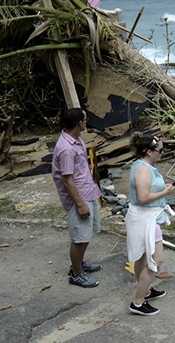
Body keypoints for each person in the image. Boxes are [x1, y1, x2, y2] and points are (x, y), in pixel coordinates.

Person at [51, 108, 103, 288]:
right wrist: (80, 204)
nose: (86, 122)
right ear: (79, 123)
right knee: (79, 236)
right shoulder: (66, 148)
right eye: (85, 119)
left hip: (87, 191)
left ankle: (79, 264)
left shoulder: (76, 139)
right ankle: (76, 273)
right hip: (78, 197)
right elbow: (67, 180)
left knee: (86, 233)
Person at [125, 133, 175, 316]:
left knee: (143, 257)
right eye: (160, 150)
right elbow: (143, 197)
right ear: (148, 151)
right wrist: (165, 192)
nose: (162, 153)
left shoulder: (145, 166)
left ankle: (145, 291)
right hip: (146, 219)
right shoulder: (143, 170)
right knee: (157, 258)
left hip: (147, 217)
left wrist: (163, 188)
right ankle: (138, 302)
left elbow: (147, 190)